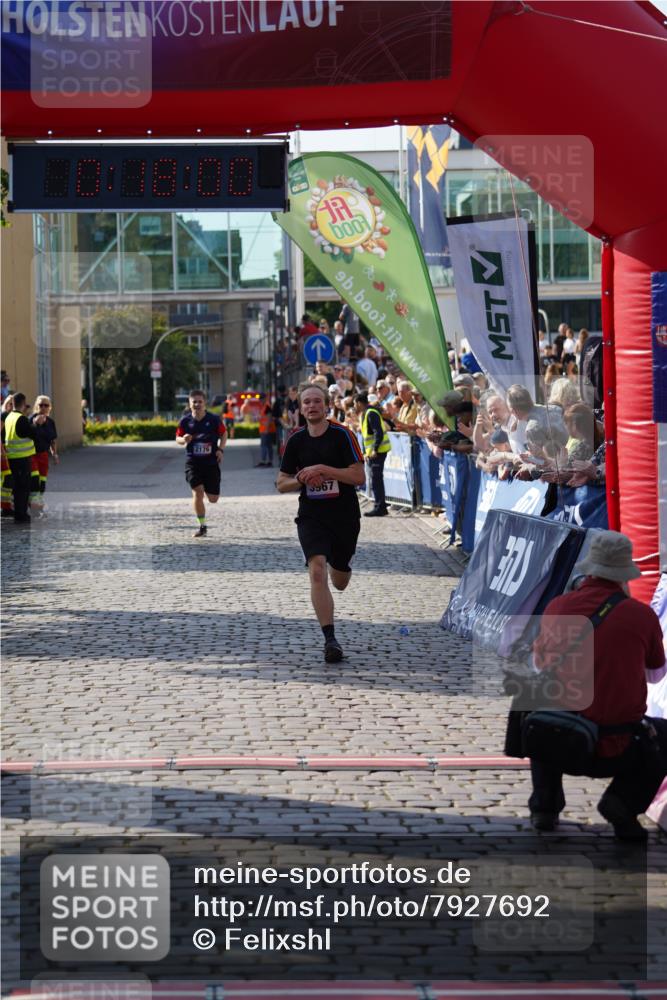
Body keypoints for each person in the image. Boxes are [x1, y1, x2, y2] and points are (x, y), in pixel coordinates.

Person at [522, 531, 667, 840]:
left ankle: (544, 806)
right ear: (624, 575)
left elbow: (538, 666)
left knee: (533, 706)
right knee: (664, 735)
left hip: (559, 738)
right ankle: (622, 803)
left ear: (588, 570)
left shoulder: (558, 606)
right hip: (619, 744)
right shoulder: (641, 615)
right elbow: (656, 676)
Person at [277, 384, 365, 664]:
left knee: (339, 580)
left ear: (326, 405)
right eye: (307, 402)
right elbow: (281, 483)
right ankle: (330, 639)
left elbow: (359, 477)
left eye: (317, 401)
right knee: (317, 572)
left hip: (344, 515)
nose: (312, 406)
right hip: (311, 515)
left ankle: (342, 564)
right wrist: (301, 478)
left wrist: (325, 470)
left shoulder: (343, 435)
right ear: (301, 408)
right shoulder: (296, 440)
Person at [175, 389, 226, 538]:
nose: (197, 404)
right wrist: (183, 439)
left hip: (211, 463)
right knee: (198, 492)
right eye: (194, 402)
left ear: (205, 403)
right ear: (189, 403)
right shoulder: (185, 421)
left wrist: (220, 450)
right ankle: (202, 526)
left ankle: (208, 497)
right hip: (193, 463)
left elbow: (224, 433)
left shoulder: (214, 419)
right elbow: (177, 438)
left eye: (200, 402)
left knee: (213, 499)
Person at [1, 392, 38, 524]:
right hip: (21, 458)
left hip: (11, 457)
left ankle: (18, 513)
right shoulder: (21, 418)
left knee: (17, 487)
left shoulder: (9, 417)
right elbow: (32, 433)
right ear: (23, 403)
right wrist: (35, 424)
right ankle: (21, 515)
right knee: (23, 488)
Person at [355, 391, 391, 517]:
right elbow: (367, 436)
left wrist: (375, 449)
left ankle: (380, 507)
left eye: (355, 403)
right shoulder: (366, 413)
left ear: (359, 403)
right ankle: (380, 506)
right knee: (375, 479)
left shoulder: (371, 413)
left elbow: (378, 432)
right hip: (374, 453)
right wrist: (366, 452)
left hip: (378, 452)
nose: (354, 406)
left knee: (376, 479)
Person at [29, 395, 58, 513]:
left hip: (44, 455)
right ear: (37, 406)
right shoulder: (31, 419)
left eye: (46, 405)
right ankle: (34, 506)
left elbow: (52, 440)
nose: (43, 407)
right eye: (41, 405)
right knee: (35, 480)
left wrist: (55, 454)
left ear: (50, 407)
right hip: (32, 454)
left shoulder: (51, 422)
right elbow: (27, 434)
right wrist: (35, 423)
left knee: (42, 483)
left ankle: (38, 503)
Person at [257, 400, 276, 467]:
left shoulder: (267, 407)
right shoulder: (263, 407)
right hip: (264, 430)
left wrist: (267, 429)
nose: (260, 401)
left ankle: (266, 461)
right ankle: (267, 461)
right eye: (260, 400)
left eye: (261, 399)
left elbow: (269, 419)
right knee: (266, 445)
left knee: (266, 445)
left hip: (267, 430)